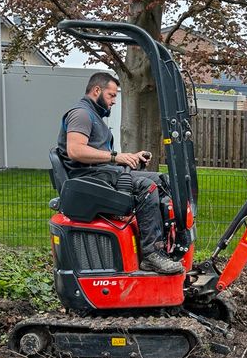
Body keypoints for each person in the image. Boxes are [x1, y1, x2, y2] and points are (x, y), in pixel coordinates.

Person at [57, 72, 184, 275]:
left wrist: (131, 157)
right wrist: (117, 157)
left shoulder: (94, 116)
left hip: (102, 173)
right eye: (111, 95)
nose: (114, 101)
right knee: (147, 187)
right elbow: (75, 151)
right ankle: (151, 255)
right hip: (90, 179)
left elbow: (102, 154)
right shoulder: (81, 114)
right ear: (96, 90)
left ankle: (165, 246)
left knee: (162, 181)